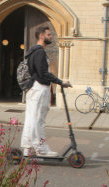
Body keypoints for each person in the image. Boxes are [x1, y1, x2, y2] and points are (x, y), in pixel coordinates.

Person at [21, 26, 72, 157]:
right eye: (49, 34)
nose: (51, 37)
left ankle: (27, 148)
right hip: (39, 88)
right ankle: (41, 148)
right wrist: (61, 82)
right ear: (41, 36)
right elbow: (43, 73)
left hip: (35, 88)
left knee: (31, 119)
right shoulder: (39, 53)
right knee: (38, 120)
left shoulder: (33, 52)